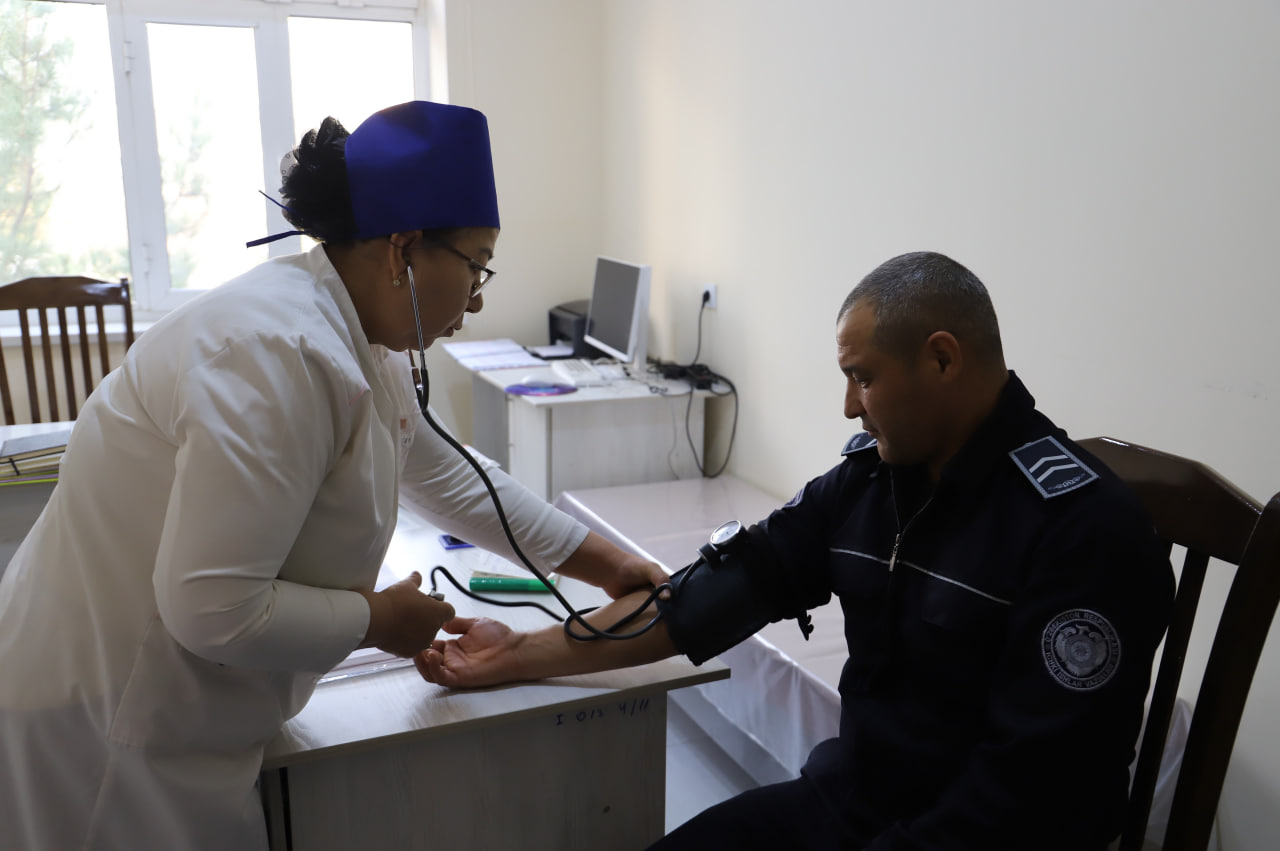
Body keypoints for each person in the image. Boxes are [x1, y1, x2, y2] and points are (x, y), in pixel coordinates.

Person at [0, 100, 665, 851]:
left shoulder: (356, 334)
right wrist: (378, 620)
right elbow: (210, 608)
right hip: (102, 720)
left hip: (176, 707)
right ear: (403, 249)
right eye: (476, 264)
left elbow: (450, 476)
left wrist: (607, 564)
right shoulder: (275, 351)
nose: (479, 298)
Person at [418, 251, 1177, 850]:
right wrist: (518, 654)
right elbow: (709, 598)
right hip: (852, 805)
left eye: (862, 378)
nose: (848, 406)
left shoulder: (1084, 531)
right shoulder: (871, 483)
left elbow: (1032, 796)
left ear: (942, 359)